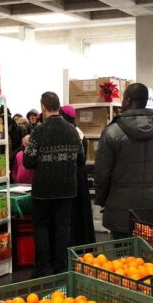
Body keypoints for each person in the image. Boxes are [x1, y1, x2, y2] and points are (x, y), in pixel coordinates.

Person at [95, 82, 153, 240]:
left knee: (122, 258)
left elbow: (101, 173)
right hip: (151, 202)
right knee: (147, 255)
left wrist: (103, 199)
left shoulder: (112, 132)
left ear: (127, 101)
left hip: (119, 202)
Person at [23, 92, 83, 276]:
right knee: (63, 226)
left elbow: (28, 162)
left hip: (44, 190)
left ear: (43, 107)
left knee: (41, 226)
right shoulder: (72, 130)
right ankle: (61, 265)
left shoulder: (39, 131)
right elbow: (80, 159)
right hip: (67, 189)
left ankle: (44, 267)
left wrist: (27, 147)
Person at [60, 105, 96, 246]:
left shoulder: (69, 133)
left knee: (73, 213)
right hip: (80, 177)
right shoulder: (79, 133)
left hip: (71, 176)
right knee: (81, 212)